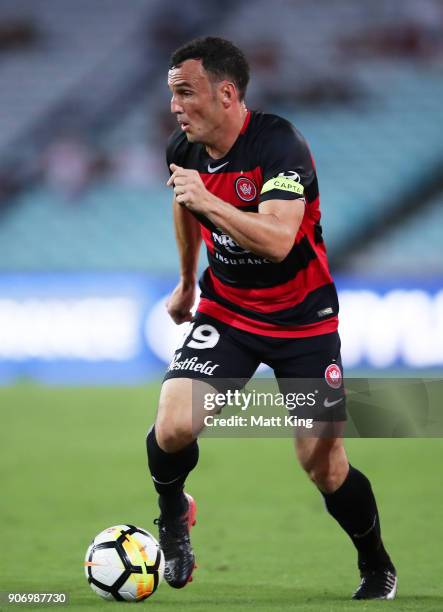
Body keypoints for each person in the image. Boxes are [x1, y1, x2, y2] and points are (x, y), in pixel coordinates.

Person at [146, 36, 397, 600]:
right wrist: (188, 281)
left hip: (303, 321)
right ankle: (173, 515)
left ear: (227, 92)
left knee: (323, 464)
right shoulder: (183, 148)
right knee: (173, 423)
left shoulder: (279, 144)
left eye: (186, 92)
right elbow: (183, 202)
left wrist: (207, 201)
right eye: (171, 95)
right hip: (228, 311)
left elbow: (280, 240)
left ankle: (375, 561)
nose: (175, 106)